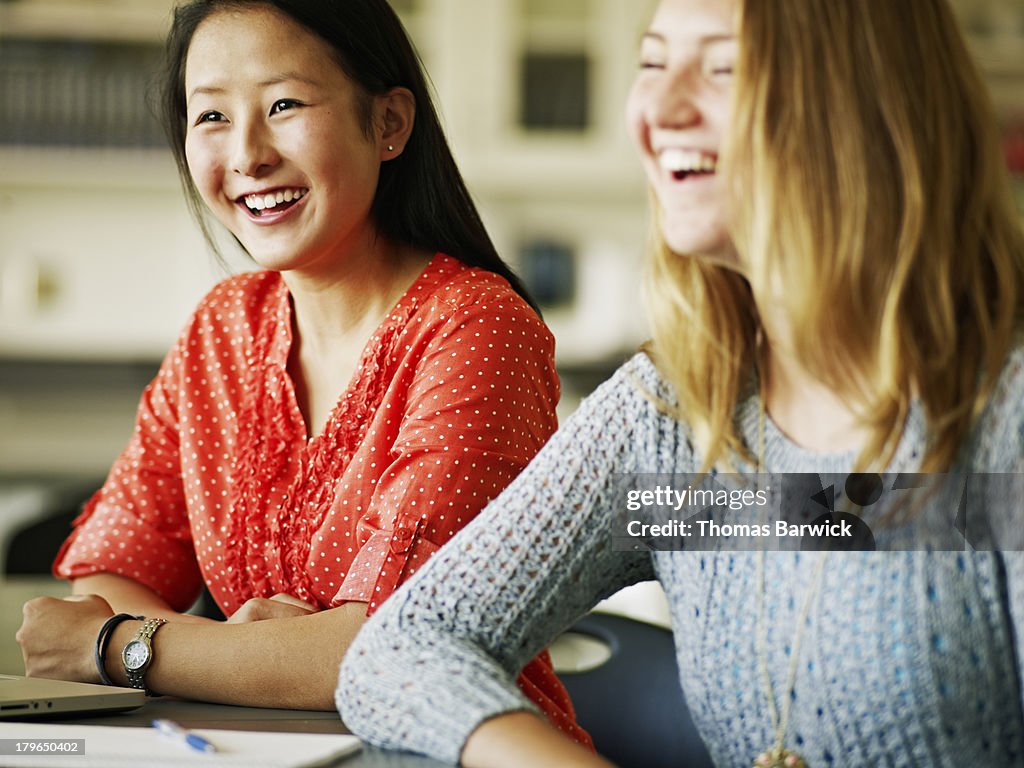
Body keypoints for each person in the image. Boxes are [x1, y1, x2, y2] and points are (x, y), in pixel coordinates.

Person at [337, 0, 1024, 765]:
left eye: (723, 68)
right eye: (654, 63)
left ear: (868, 104)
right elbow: (402, 644)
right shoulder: (672, 416)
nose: (658, 109)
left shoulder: (1006, 422)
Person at [15, 0, 590, 745]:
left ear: (389, 124)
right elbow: (106, 580)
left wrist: (122, 650)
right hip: (254, 747)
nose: (247, 155)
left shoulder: (476, 327)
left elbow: (391, 650)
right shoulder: (223, 328)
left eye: (283, 104)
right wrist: (264, 656)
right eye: (212, 117)